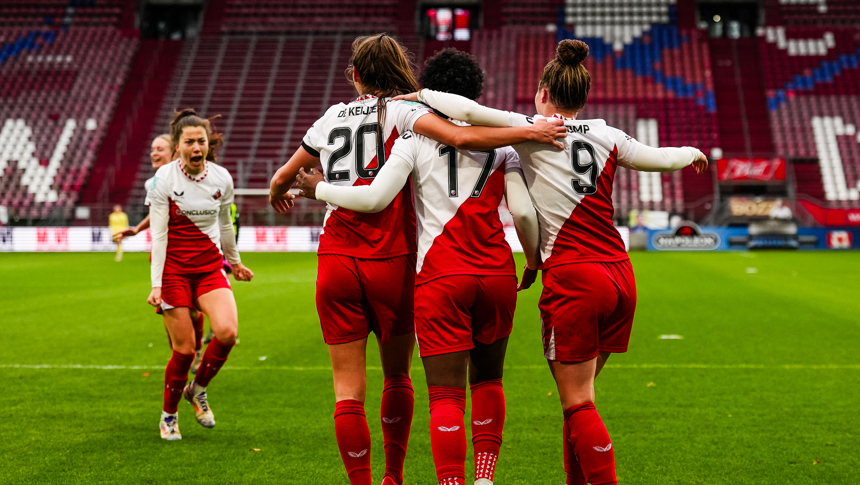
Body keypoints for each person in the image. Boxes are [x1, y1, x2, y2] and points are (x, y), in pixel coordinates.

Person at [394, 39, 708, 485]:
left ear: (544, 89)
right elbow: (660, 159)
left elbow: (469, 113)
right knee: (580, 399)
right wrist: (691, 153)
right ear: (584, 95)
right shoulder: (608, 134)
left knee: (577, 402)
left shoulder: (530, 127)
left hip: (575, 276)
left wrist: (420, 97)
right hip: (620, 275)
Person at [269, 34, 565, 485]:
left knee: (347, 393)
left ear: (355, 75)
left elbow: (285, 175)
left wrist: (285, 191)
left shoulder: (331, 116)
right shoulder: (407, 114)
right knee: (399, 376)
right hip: (396, 258)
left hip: (337, 257)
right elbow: (461, 135)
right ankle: (394, 476)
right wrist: (529, 130)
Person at [147, 109, 254, 440]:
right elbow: (159, 234)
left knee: (227, 332)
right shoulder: (163, 180)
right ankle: (169, 415)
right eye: (189, 142)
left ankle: (198, 389)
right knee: (184, 349)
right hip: (173, 272)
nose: (196, 147)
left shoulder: (222, 178)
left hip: (208, 268)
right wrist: (155, 283)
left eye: (201, 141)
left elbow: (225, 224)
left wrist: (234, 263)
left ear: (209, 144)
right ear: (178, 146)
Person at [114, 134, 208, 375]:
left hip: (191, 253)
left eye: (160, 149)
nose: (154, 154)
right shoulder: (152, 183)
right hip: (166, 257)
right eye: (152, 150)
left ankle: (195, 350)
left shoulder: (192, 179)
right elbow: (157, 213)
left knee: (194, 309)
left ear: (174, 152)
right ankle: (183, 357)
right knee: (173, 313)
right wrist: (137, 228)